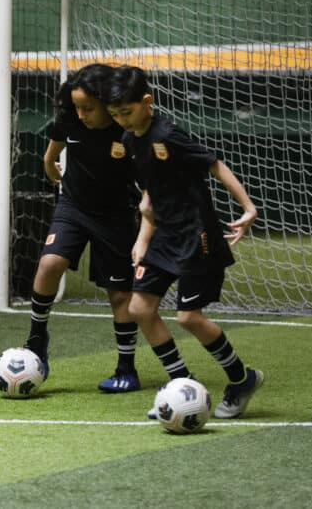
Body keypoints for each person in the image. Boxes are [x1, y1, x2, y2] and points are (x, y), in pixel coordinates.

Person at [106, 65, 263, 419]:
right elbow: (150, 195)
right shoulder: (131, 140)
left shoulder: (169, 134)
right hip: (164, 235)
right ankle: (181, 385)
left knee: (189, 316)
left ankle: (242, 379)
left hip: (197, 236)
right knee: (139, 308)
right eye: (115, 115)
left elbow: (214, 164)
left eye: (127, 112)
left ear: (147, 102)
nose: (123, 121)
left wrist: (248, 207)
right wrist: (143, 238)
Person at [22, 63, 143, 393]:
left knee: (120, 294)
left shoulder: (126, 129)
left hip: (117, 215)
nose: (81, 114)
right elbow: (51, 156)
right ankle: (36, 339)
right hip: (73, 207)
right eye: (76, 107)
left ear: (106, 103)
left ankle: (126, 368)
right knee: (49, 263)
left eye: (88, 107)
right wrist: (53, 172)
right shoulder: (70, 119)